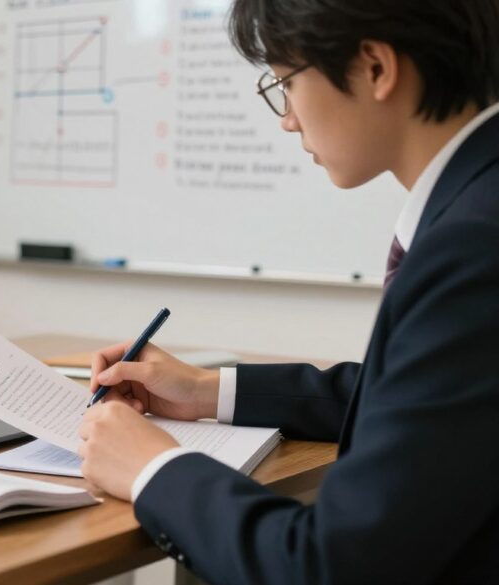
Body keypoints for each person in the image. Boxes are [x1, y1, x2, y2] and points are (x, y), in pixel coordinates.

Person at [76, 1, 499, 583]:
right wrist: (206, 391)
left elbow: (330, 568)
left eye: (285, 82)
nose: (288, 120)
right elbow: (421, 399)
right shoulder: (476, 202)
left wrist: (152, 467)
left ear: (375, 67)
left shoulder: (474, 246)